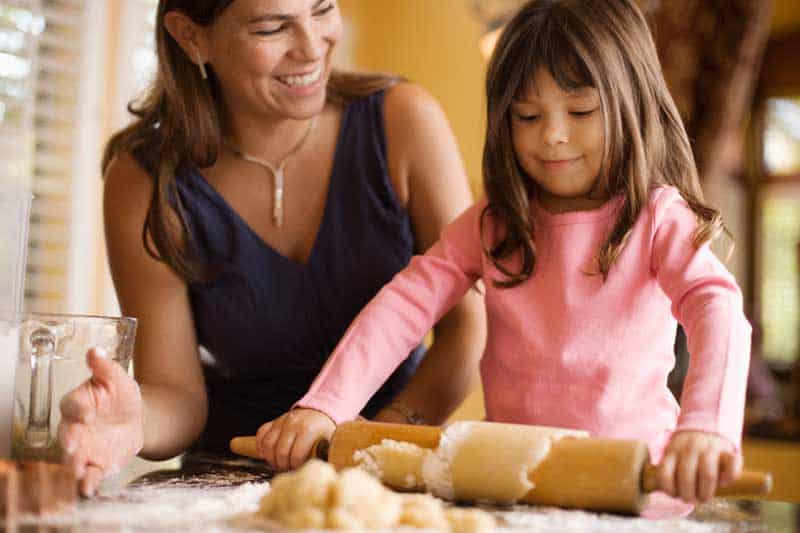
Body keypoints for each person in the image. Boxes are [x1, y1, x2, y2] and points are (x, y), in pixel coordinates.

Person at [259, 0, 752, 515]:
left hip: (637, 490)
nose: (552, 134)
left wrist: (707, 429)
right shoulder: (496, 223)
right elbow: (405, 303)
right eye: (528, 116)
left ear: (632, 104)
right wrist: (326, 406)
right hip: (517, 489)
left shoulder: (656, 218)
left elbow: (715, 308)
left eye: (580, 111)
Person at [57, 0, 486, 496]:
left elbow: (467, 330)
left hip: (386, 468)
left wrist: (379, 438)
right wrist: (134, 423)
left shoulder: (404, 120)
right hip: (224, 482)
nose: (311, 46)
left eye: (322, 9)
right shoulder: (146, 180)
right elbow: (177, 392)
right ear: (191, 37)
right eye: (271, 27)